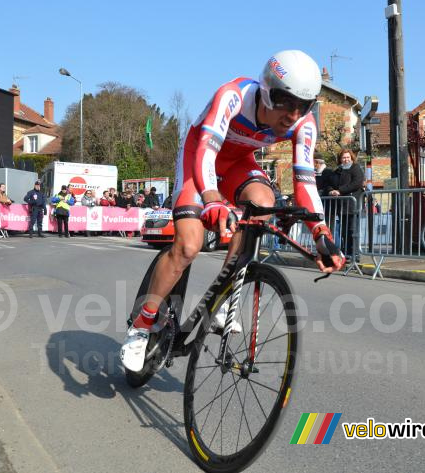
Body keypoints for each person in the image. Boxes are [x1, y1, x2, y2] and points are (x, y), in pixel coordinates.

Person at [120, 50, 345, 371]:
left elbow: (305, 181)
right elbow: (206, 153)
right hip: (199, 157)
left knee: (264, 203)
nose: (293, 115)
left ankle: (226, 299)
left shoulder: (303, 124)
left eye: (303, 106)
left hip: (239, 163)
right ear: (266, 92)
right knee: (187, 247)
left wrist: (321, 235)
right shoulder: (233, 96)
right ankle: (141, 326)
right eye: (285, 101)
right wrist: (212, 200)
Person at [323, 148, 364, 258]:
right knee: (344, 231)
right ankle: (346, 254)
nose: (346, 160)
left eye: (347, 157)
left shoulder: (356, 168)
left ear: (351, 158)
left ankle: (354, 254)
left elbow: (356, 183)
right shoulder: (338, 171)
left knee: (352, 230)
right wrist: (331, 190)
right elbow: (330, 183)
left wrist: (340, 190)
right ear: (340, 159)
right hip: (341, 206)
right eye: (343, 158)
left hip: (352, 205)